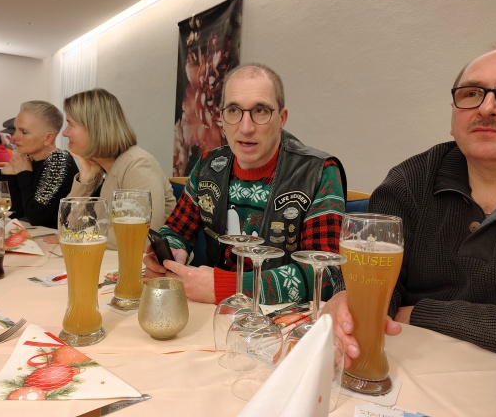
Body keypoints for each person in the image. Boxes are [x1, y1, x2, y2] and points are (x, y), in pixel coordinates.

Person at [323, 46, 496, 365]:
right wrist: (345, 299)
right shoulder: (411, 180)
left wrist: (423, 314)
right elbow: (376, 287)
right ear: (453, 116)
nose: (487, 107)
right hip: (410, 366)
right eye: (471, 93)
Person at [144, 63, 347, 305]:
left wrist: (227, 287)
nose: (246, 127)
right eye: (233, 110)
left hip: (283, 319)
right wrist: (171, 253)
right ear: (221, 118)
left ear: (282, 119)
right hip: (216, 315)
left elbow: (326, 276)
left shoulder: (319, 172)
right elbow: (176, 230)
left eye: (260, 110)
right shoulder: (208, 166)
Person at [61, 88, 176, 250]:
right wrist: (86, 177)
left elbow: (140, 238)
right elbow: (69, 225)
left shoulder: (138, 165)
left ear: (95, 128)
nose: (65, 133)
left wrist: (79, 235)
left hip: (152, 263)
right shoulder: (103, 168)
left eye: (70, 124)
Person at [0, 101, 79, 228]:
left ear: (48, 138)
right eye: (15, 129)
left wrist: (24, 174)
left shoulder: (58, 160)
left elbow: (37, 217)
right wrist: (8, 176)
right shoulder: (27, 161)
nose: (14, 138)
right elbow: (14, 213)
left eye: (24, 132)